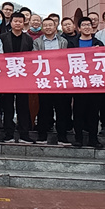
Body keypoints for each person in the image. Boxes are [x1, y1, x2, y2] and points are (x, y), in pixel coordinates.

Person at [33, 17, 69, 145]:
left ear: (55, 27)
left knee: (61, 109)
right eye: (46, 25)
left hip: (60, 79)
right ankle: (42, 136)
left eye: (50, 25)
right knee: (44, 108)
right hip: (45, 79)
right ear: (42, 28)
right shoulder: (37, 42)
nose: (48, 27)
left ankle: (62, 137)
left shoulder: (63, 41)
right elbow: (34, 57)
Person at [0, 12, 35, 143]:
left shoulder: (28, 39)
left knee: (23, 106)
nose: (18, 24)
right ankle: (8, 134)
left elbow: (32, 58)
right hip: (7, 76)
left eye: (20, 21)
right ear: (11, 22)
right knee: (8, 106)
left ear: (24, 23)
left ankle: (24, 134)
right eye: (15, 21)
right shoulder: (3, 37)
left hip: (23, 77)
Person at [72, 17, 104, 148]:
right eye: (84, 25)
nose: (86, 27)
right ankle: (78, 138)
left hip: (94, 82)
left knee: (94, 113)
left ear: (92, 27)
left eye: (89, 25)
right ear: (79, 28)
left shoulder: (99, 43)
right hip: (78, 83)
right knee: (78, 112)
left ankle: (93, 138)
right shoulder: (72, 43)